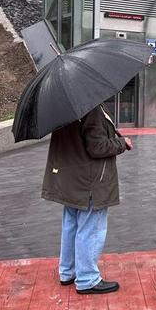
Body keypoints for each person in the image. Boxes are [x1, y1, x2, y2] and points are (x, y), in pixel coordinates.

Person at [41, 105, 132, 295]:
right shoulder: (91, 110)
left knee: (71, 225)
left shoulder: (65, 111)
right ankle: (87, 278)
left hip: (71, 180)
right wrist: (122, 143)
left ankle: (68, 272)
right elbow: (97, 147)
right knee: (91, 228)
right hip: (90, 182)